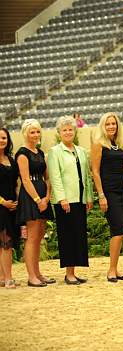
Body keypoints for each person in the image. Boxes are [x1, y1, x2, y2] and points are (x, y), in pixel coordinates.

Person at [47, 116, 94, 285]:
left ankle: (73, 272)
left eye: (70, 129)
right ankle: (68, 274)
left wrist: (88, 197)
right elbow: (55, 177)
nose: (68, 132)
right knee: (68, 237)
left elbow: (86, 176)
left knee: (78, 236)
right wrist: (62, 198)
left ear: (75, 132)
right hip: (65, 201)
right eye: (64, 130)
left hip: (80, 200)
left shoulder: (81, 151)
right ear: (59, 133)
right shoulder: (54, 152)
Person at [91, 112, 123, 282]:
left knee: (121, 230)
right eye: (108, 124)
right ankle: (111, 271)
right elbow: (95, 171)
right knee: (118, 229)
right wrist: (101, 195)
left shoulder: (118, 144)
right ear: (102, 126)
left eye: (113, 123)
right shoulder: (99, 145)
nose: (111, 126)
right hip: (108, 192)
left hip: (121, 191)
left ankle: (115, 269)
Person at [16, 119, 54, 287]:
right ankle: (31, 276)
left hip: (42, 196)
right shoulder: (22, 153)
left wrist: (47, 197)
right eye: (32, 132)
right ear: (26, 133)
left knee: (39, 237)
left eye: (38, 131)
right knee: (31, 238)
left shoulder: (40, 152)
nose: (36, 135)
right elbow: (25, 180)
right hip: (31, 197)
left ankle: (38, 273)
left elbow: (47, 177)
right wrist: (38, 200)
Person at [0, 128, 19, 289]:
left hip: (12, 206)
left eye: (4, 138)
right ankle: (8, 278)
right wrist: (3, 202)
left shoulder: (11, 160)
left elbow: (15, 184)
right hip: (1, 207)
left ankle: (1, 277)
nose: (2, 140)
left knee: (4, 243)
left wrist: (17, 201)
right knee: (6, 243)